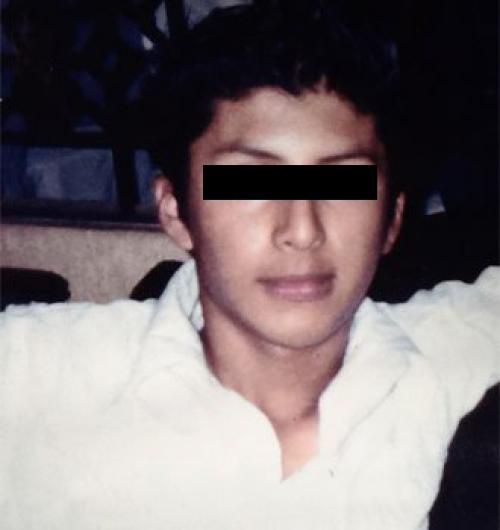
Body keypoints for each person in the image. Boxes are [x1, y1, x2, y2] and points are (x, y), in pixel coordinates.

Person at [0, 2, 498, 529]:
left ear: (392, 220)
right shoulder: (37, 373)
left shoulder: (439, 353)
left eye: (343, 183)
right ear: (175, 211)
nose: (301, 229)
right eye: (250, 182)